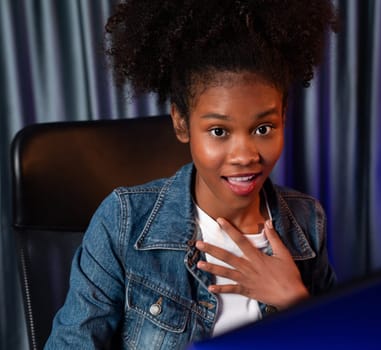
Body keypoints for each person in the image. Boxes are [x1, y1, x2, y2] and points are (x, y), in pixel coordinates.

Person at [45, 0, 339, 348]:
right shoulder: (123, 223)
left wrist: (296, 301)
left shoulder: (306, 221)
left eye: (263, 128)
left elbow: (346, 340)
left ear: (284, 116)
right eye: (219, 131)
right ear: (181, 122)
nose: (245, 156)